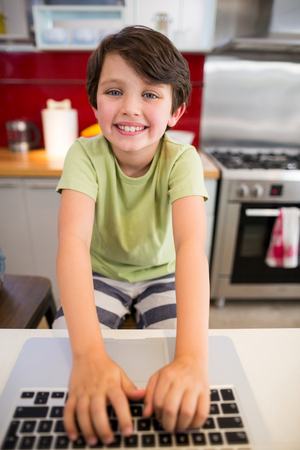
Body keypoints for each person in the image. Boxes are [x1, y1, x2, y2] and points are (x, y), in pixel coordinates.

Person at [53, 25, 210, 447]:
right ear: (95, 102)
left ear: (176, 111)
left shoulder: (182, 160)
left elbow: (191, 247)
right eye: (115, 91)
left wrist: (192, 359)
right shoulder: (83, 155)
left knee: (177, 352)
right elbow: (72, 244)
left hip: (163, 275)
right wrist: (88, 357)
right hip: (101, 273)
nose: (130, 108)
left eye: (151, 94)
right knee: (62, 348)